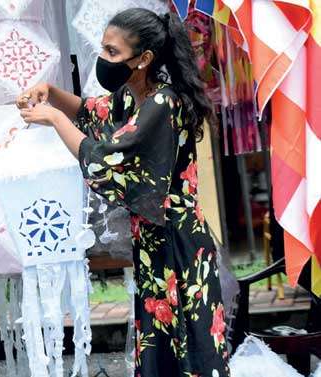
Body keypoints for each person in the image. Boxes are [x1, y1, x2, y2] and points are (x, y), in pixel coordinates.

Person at [17, 9, 229, 377]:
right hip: (152, 240)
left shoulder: (163, 103)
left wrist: (53, 118)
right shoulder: (132, 97)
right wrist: (50, 93)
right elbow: (90, 114)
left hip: (178, 241)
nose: (103, 59)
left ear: (143, 59)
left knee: (190, 348)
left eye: (112, 53)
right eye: (103, 49)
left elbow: (103, 158)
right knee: (159, 344)